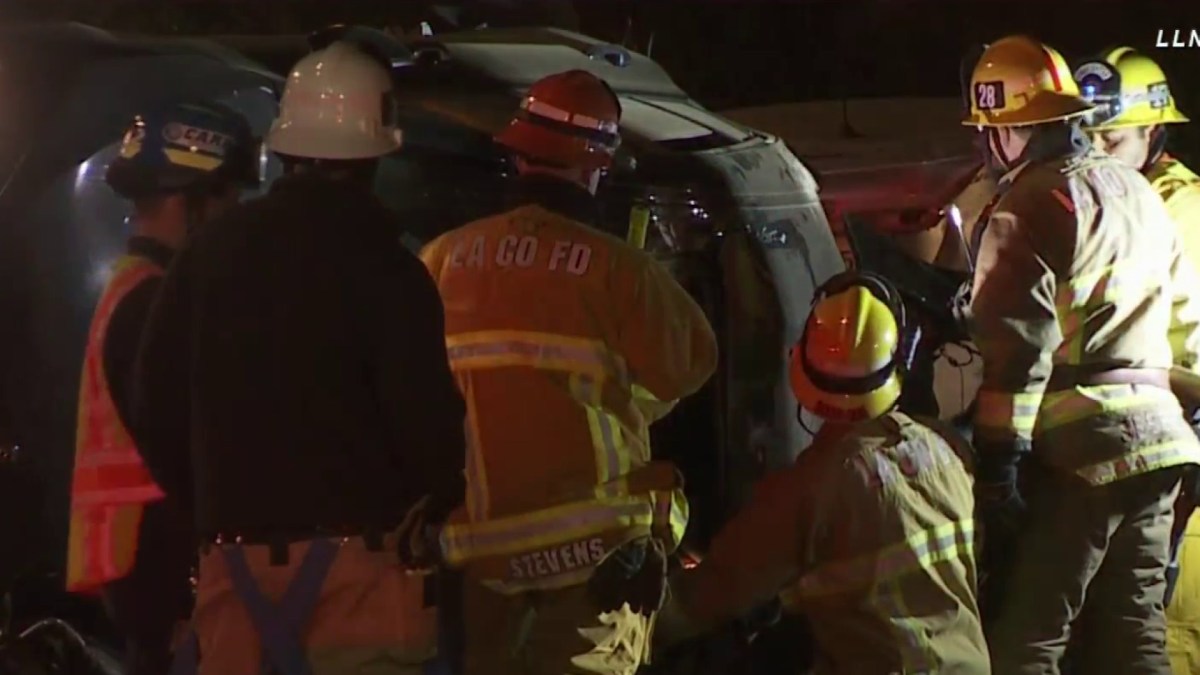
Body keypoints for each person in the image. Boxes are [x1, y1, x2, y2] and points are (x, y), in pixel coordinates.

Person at [131, 41, 466, 675]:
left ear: (283, 148)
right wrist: (438, 494)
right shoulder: (390, 269)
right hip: (361, 577)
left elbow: (154, 405)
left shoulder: (206, 257)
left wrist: (218, 507)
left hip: (235, 573)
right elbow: (428, 427)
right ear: (376, 152)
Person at [418, 69, 718, 675]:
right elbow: (691, 366)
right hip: (595, 561)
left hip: (482, 559)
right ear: (596, 165)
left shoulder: (442, 259)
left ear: (520, 153)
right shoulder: (622, 272)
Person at [961, 34, 1200, 673]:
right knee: (1135, 638)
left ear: (1005, 131)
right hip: (1164, 448)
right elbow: (1186, 325)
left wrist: (998, 465)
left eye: (990, 131)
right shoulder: (1139, 190)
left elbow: (1017, 355)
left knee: (1029, 644)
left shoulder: (1025, 208)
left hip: (1081, 457)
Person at [653, 271, 990, 673]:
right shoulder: (948, 448)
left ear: (799, 361)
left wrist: (617, 618)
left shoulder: (807, 491)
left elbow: (700, 602)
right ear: (902, 362)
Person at [64, 101, 259, 675]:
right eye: (229, 198)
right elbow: (189, 447)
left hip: (138, 566)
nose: (235, 213)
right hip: (160, 568)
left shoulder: (134, 288)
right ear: (194, 200)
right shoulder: (154, 305)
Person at [1074, 45, 1200, 675]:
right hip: (1135, 449)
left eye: (1113, 140)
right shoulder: (1103, 204)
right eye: (1086, 137)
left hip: (1182, 456)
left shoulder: (1184, 212)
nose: (1096, 154)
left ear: (1154, 133)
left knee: (1168, 631)